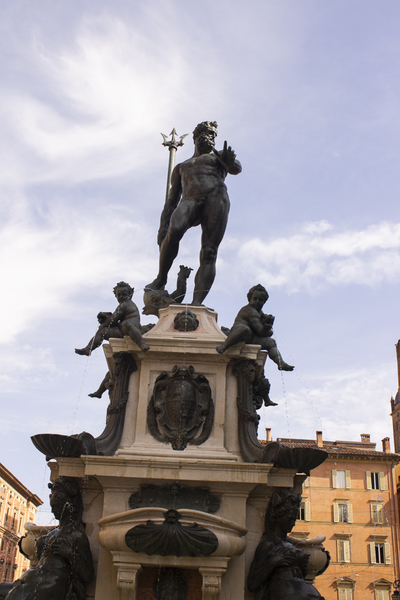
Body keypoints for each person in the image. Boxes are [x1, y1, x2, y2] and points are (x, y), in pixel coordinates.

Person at [148, 121, 242, 305]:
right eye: (206, 134)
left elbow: (235, 168)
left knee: (209, 251)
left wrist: (229, 161)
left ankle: (196, 303)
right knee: (174, 230)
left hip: (216, 196)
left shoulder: (219, 158)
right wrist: (163, 226)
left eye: (213, 135)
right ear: (196, 138)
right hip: (189, 199)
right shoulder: (182, 167)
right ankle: (161, 277)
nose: (210, 138)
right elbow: (170, 202)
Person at [3, 477, 94, 600]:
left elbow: (88, 575)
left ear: (67, 505)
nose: (52, 510)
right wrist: (40, 550)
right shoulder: (54, 531)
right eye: (52, 505)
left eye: (56, 506)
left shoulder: (76, 534)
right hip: (32, 583)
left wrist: (68, 552)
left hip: (51, 588)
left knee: (15, 597)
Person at [247, 489, 324, 600]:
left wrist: (303, 566)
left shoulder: (288, 544)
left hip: (298, 590)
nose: (293, 523)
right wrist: (274, 562)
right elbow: (252, 584)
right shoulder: (268, 545)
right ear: (278, 516)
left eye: (294, 519)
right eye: (290, 519)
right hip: (285, 592)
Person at [216, 284, 294, 371]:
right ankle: (224, 346)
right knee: (244, 329)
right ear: (250, 299)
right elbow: (260, 331)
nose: (257, 301)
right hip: (239, 333)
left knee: (271, 342)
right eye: (255, 299)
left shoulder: (260, 312)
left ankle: (280, 363)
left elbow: (264, 325)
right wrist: (269, 331)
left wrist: (268, 324)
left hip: (251, 337)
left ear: (264, 302)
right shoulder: (250, 310)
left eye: (260, 300)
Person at [75, 281, 149, 355]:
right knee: (102, 331)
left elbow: (113, 320)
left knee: (126, 323)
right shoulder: (121, 306)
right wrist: (105, 318)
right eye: (119, 295)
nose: (121, 297)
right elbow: (113, 319)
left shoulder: (126, 304)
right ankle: (89, 348)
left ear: (130, 294)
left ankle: (141, 344)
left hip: (133, 328)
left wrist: (103, 324)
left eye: (124, 294)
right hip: (123, 331)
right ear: (115, 296)